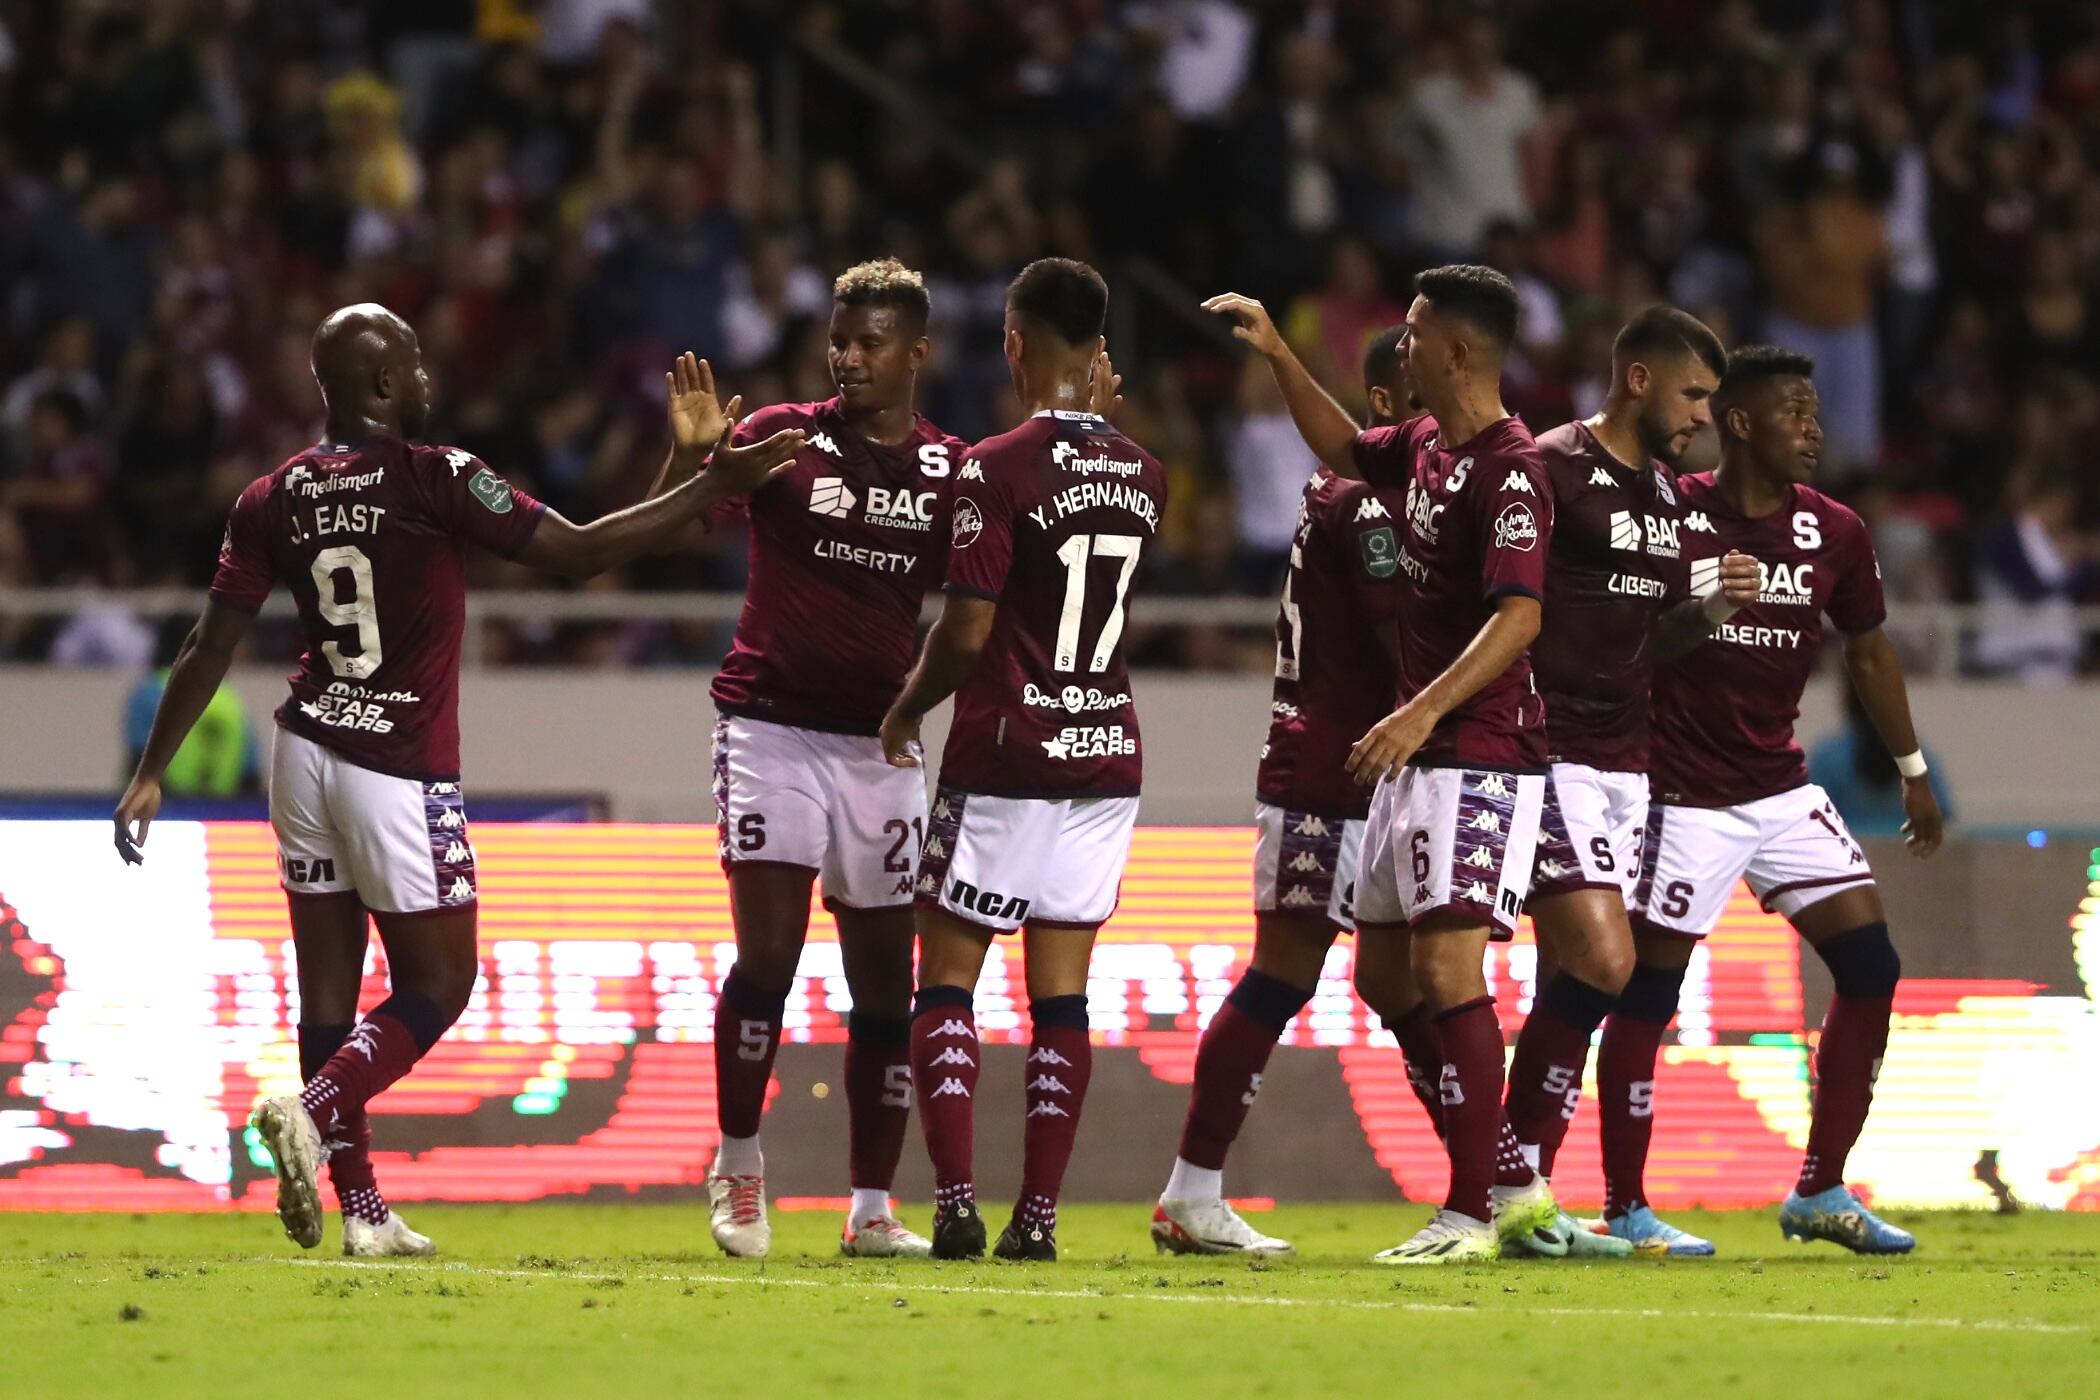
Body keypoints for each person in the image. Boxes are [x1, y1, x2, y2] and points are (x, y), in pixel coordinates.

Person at [113, 305, 804, 1256]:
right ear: (383, 384)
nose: (428, 378)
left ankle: (362, 1215)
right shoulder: (436, 475)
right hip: (395, 765)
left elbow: (207, 642)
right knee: (441, 980)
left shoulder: (272, 495)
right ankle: (311, 1110)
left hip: (302, 752)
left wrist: (151, 771)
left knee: (329, 996)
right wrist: (710, 483)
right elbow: (581, 555)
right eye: (414, 363)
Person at [1207, 266, 1552, 1262]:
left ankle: (1476, 1209)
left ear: (1456, 350)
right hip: (1419, 757)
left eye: (1415, 330)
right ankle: (1508, 1186)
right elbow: (1342, 445)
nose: (1401, 343)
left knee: (1447, 967)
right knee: (1383, 971)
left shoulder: (1510, 469)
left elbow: (1521, 616)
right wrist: (1280, 352)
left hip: (1477, 751)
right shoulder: (1428, 445)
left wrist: (1419, 709)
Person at [645, 259, 971, 1261]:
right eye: (839, 339)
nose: (848, 357)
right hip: (769, 729)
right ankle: (740, 1165)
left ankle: (871, 1208)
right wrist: (691, 462)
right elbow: (664, 533)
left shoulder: (953, 471)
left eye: (871, 342)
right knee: (769, 957)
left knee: (884, 991)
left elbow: (982, 608)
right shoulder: (782, 436)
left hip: (881, 746)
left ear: (918, 353)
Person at [1599, 345, 1944, 1256]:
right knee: (1648, 993)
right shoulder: (1670, 514)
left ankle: (1821, 1190)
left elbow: (1868, 649)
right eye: (1795, 413)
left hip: (1781, 789)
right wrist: (1707, 606)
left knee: (1871, 967)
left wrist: (1911, 768)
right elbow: (1630, 642)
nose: (1815, 430)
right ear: (1741, 423)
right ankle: (1626, 1208)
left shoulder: (1835, 530)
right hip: (1682, 795)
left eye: (1816, 413)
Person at [879, 258, 1163, 1262]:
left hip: (1006, 749)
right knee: (1062, 994)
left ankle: (956, 1204)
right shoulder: (1148, 471)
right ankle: (1037, 1219)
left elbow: (965, 630)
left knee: (949, 978)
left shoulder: (992, 466)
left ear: (1013, 342)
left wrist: (905, 710)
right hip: (1106, 750)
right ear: (1099, 352)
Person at [1150, 327, 1417, 1257]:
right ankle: (1192, 1191)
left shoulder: (1360, 495)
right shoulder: (1369, 502)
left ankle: (1499, 1184)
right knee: (1284, 974)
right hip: (1332, 776)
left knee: (1417, 985)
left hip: (1375, 774)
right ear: (1383, 407)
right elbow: (1405, 645)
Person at [1501, 307, 1757, 1256]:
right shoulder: (1551, 466)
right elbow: (1502, 601)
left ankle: (1524, 1195)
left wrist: (1713, 606)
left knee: (1570, 979)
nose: (1702, 417)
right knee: (1608, 965)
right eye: (1693, 395)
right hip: (1549, 750)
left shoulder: (1665, 494)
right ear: (1638, 380)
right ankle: (1504, 1180)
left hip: (1626, 762)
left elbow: (1655, 637)